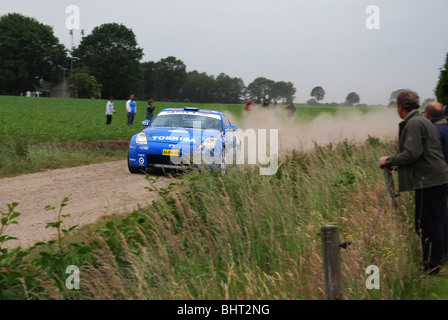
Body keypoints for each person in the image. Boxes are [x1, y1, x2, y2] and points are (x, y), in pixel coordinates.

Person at [378, 90, 448, 275]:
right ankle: (432, 262)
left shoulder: (414, 123)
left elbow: (412, 153)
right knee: (427, 222)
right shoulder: (422, 121)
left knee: (428, 224)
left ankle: (431, 267)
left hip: (429, 181)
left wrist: (389, 161)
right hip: (433, 179)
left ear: (400, 106)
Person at [423, 101, 448, 263]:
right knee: (443, 215)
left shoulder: (435, 132)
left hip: (437, 179)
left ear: (428, 114)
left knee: (435, 218)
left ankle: (436, 257)